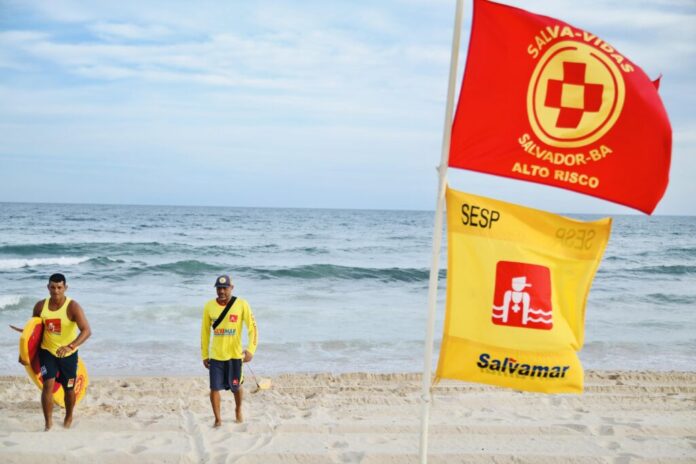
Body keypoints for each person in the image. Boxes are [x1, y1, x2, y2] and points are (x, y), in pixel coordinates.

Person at [22, 273, 92, 431]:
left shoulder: (73, 307)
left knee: (69, 388)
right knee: (47, 385)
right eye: (52, 287)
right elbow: (34, 331)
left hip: (68, 355)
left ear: (65, 288)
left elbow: (86, 331)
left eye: (59, 287)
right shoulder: (40, 306)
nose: (56, 291)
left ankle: (69, 416)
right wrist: (24, 352)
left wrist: (70, 346)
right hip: (47, 352)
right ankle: (48, 423)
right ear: (48, 287)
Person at [201, 274, 258, 427]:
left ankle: (238, 409)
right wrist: (205, 355)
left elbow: (253, 328)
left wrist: (251, 350)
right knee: (214, 388)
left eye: (225, 288)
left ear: (231, 288)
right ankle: (218, 419)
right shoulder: (209, 306)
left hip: (235, 355)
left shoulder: (242, 304)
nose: (221, 291)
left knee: (236, 387)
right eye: (219, 288)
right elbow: (204, 333)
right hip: (216, 356)